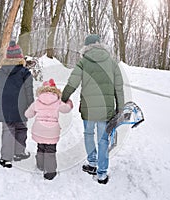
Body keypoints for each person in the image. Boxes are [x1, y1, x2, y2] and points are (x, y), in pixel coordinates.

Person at [61, 34, 124, 184]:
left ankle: (92, 163)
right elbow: (119, 88)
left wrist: (64, 97)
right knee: (103, 140)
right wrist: (120, 108)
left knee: (89, 134)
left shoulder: (83, 62)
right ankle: (102, 174)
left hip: (88, 109)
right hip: (106, 110)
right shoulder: (112, 63)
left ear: (86, 46)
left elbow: (72, 82)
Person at [0, 40, 34, 168]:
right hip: (21, 107)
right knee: (21, 129)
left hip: (5, 107)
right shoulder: (25, 73)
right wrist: (31, 105)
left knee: (8, 130)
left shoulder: (0, 72)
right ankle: (19, 153)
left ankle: (6, 158)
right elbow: (29, 91)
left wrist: (2, 98)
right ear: (20, 56)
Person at [25, 79, 73, 180]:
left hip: (39, 129)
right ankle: (50, 173)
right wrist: (68, 102)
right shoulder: (58, 101)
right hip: (52, 131)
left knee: (41, 147)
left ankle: (41, 165)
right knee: (50, 151)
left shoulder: (37, 102)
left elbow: (28, 114)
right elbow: (67, 109)